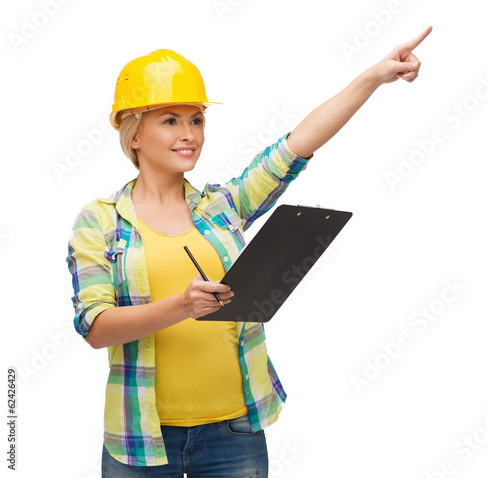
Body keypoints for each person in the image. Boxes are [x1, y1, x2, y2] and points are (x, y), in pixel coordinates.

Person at [67, 26, 432, 478]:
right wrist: (182, 305)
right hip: (142, 441)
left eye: (196, 119)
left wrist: (375, 76)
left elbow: (297, 145)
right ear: (134, 133)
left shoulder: (224, 207)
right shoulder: (100, 221)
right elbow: (96, 328)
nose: (190, 134)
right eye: (171, 120)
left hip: (234, 435)